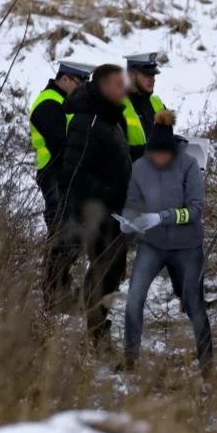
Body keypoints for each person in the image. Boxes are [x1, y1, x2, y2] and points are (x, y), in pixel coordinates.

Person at [120, 111, 212, 375]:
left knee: (194, 303)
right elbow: (132, 202)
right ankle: (130, 360)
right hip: (152, 245)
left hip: (187, 246)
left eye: (163, 155)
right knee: (133, 299)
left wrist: (161, 217)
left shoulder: (189, 166)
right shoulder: (140, 167)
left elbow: (195, 210)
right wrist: (127, 220)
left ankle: (207, 363)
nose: (158, 160)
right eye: (153, 155)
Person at [58, 63, 133, 348]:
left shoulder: (107, 117)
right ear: (102, 87)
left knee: (112, 270)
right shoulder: (87, 121)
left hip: (114, 211)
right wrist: (109, 195)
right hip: (97, 212)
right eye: (117, 84)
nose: (123, 90)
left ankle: (98, 327)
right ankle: (97, 337)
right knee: (103, 272)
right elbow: (74, 173)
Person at [29, 60, 91, 311]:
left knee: (72, 236)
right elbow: (61, 144)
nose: (82, 88)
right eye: (79, 82)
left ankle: (60, 289)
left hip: (66, 177)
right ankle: (53, 296)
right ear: (65, 79)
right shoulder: (48, 104)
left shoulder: (65, 104)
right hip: (54, 175)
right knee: (61, 234)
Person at [123, 52, 167, 162]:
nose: (152, 79)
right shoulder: (117, 106)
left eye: (153, 75)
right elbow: (114, 153)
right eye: (147, 74)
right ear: (131, 74)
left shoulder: (158, 103)